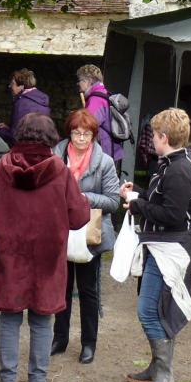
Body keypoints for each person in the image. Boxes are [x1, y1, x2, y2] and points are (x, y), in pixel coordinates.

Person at [0, 114, 89, 382]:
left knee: (10, 320)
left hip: (9, 257)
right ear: (50, 138)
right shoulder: (60, 171)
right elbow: (79, 217)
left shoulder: (2, 169)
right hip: (48, 259)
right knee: (41, 322)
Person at [120, 108, 191, 382]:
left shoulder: (179, 171)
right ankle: (157, 368)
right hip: (160, 245)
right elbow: (162, 201)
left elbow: (172, 215)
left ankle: (165, 376)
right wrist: (138, 194)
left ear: (164, 137)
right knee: (156, 309)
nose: (151, 139)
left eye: (154, 135)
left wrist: (137, 205)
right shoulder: (169, 164)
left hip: (172, 248)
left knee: (149, 311)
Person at [52, 109, 121, 365]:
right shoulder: (56, 156)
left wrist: (84, 199)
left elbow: (113, 201)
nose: (81, 139)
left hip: (90, 235)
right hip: (61, 231)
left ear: (93, 136)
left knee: (88, 290)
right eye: (76, 133)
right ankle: (60, 338)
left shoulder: (104, 163)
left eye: (86, 134)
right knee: (62, 288)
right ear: (69, 133)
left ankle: (88, 343)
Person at [77, 64, 124, 168]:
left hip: (103, 153)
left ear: (88, 81)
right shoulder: (105, 93)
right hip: (112, 149)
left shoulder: (96, 100)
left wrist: (76, 119)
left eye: (80, 81)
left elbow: (87, 126)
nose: (79, 85)